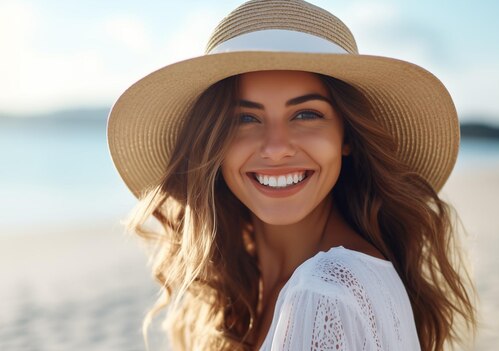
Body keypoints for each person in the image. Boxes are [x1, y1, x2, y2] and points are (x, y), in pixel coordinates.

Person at [107, 0, 477, 350]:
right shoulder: (263, 285)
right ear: (212, 144)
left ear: (346, 136)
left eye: (306, 114)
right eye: (244, 119)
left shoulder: (326, 291)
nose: (276, 147)